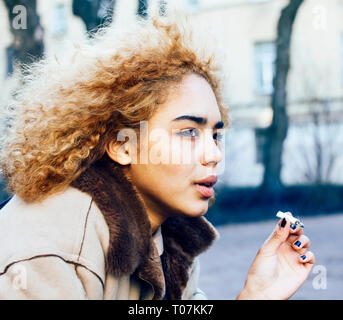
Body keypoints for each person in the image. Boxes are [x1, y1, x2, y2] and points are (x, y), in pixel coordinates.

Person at [0, 11, 314, 300]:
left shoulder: (169, 239)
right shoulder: (50, 246)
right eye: (189, 132)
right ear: (123, 145)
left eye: (216, 135)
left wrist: (254, 295)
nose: (215, 154)